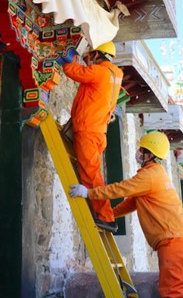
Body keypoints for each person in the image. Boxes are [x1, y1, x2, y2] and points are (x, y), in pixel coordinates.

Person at [69, 131, 183, 298]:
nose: (138, 153)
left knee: (173, 292)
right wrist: (109, 215)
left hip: (173, 242)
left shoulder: (148, 176)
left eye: (141, 150)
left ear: (149, 155)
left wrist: (89, 193)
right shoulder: (156, 175)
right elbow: (132, 202)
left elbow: (121, 189)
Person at [58, 41, 124, 233]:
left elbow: (72, 71)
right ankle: (103, 214)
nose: (89, 62)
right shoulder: (115, 75)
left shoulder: (100, 72)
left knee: (91, 175)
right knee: (93, 172)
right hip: (97, 131)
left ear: (97, 55)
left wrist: (68, 56)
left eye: (90, 58)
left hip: (87, 130)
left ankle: (106, 217)